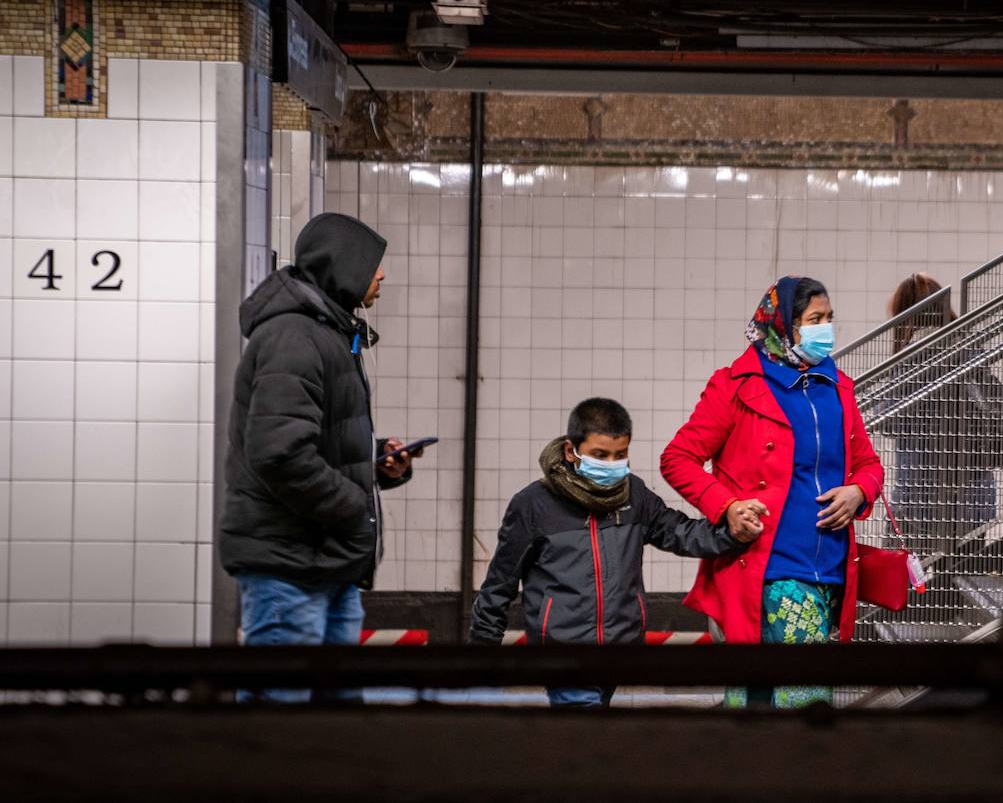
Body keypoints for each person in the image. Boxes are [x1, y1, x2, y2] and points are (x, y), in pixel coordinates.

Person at [220, 213, 422, 702]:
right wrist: (354, 506)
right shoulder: (294, 337)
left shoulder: (327, 332)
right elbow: (279, 454)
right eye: (373, 263)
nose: (381, 275)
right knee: (280, 724)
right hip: (289, 566)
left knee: (330, 725)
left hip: (324, 561)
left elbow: (312, 441)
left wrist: (374, 462)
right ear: (343, 266)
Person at [661, 276, 884, 708]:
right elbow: (678, 458)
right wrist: (726, 506)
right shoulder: (735, 386)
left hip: (830, 566)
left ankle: (758, 768)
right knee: (803, 696)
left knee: (758, 694)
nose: (826, 330)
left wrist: (859, 490)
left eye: (829, 319)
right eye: (814, 320)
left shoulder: (838, 388)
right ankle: (794, 769)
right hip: (769, 564)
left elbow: (869, 465)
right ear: (782, 325)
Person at [469, 397, 766, 708]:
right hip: (562, 655)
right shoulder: (533, 505)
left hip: (619, 650)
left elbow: (681, 533)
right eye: (600, 455)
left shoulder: (634, 494)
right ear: (572, 451)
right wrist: (480, 657)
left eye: (619, 455)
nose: (611, 464)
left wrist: (734, 532)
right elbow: (499, 584)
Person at [885, 272, 1003, 552]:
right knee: (960, 579)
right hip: (975, 494)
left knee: (908, 583)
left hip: (921, 498)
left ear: (907, 312)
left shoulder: (915, 354)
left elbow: (890, 417)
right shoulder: (966, 346)